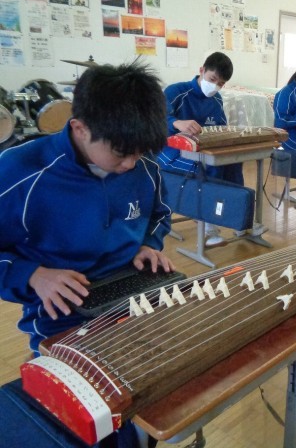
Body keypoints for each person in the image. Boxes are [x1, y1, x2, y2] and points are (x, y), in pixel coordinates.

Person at [0, 61, 175, 357]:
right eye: (121, 153)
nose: (131, 163)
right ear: (80, 128)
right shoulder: (20, 171)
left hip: (132, 288)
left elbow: (160, 215)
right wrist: (31, 274)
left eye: (140, 152)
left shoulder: (144, 166)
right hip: (62, 310)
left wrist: (148, 244)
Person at [158, 52, 242, 245]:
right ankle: (208, 226)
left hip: (201, 151)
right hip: (169, 152)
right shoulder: (176, 92)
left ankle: (236, 217)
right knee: (209, 167)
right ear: (202, 70)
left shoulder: (216, 99)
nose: (215, 86)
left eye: (221, 84)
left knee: (233, 164)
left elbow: (221, 128)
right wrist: (177, 123)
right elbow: (156, 120)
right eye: (212, 79)